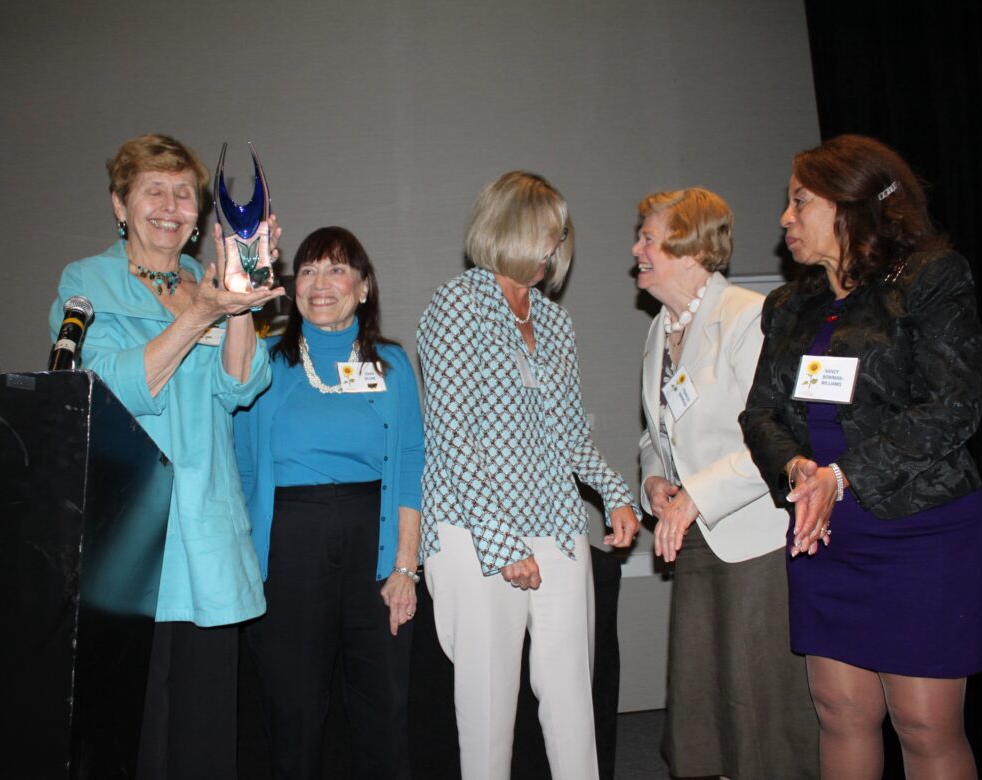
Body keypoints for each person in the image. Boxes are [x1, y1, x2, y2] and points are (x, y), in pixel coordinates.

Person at [740, 134, 982, 779]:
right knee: (839, 710)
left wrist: (842, 476)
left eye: (799, 202)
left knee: (925, 723)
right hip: (822, 532)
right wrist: (799, 470)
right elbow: (759, 412)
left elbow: (951, 408)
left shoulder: (932, 279)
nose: (785, 219)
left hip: (918, 528)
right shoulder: (789, 305)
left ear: (851, 204)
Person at [49, 133, 281, 779]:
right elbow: (109, 389)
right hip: (131, 543)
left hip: (205, 536)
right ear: (120, 205)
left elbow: (241, 385)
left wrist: (235, 302)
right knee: (138, 738)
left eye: (185, 194)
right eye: (155, 190)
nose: (172, 206)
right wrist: (193, 317)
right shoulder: (86, 282)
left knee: (207, 738)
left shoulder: (199, 281)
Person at [416, 170, 640, 780]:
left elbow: (569, 435)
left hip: (556, 522)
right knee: (488, 709)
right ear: (509, 227)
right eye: (545, 230)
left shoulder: (554, 321)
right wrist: (498, 542)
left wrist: (618, 494)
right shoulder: (457, 304)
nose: (554, 244)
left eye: (559, 232)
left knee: (571, 695)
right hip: (473, 529)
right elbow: (452, 433)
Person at [633, 188, 818, 779]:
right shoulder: (660, 330)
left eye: (648, 236)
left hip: (752, 539)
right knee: (705, 701)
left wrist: (695, 495)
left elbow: (770, 435)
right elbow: (655, 433)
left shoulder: (746, 317)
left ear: (689, 250)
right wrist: (655, 479)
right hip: (693, 537)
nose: (636, 248)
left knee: (762, 705)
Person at [233, 226, 424, 779]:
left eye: (337, 269)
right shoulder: (264, 361)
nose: (320, 283)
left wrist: (406, 567)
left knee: (382, 706)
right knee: (291, 709)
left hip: (377, 542)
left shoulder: (390, 363)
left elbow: (411, 460)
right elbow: (244, 466)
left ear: (363, 287)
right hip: (287, 546)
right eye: (309, 270)